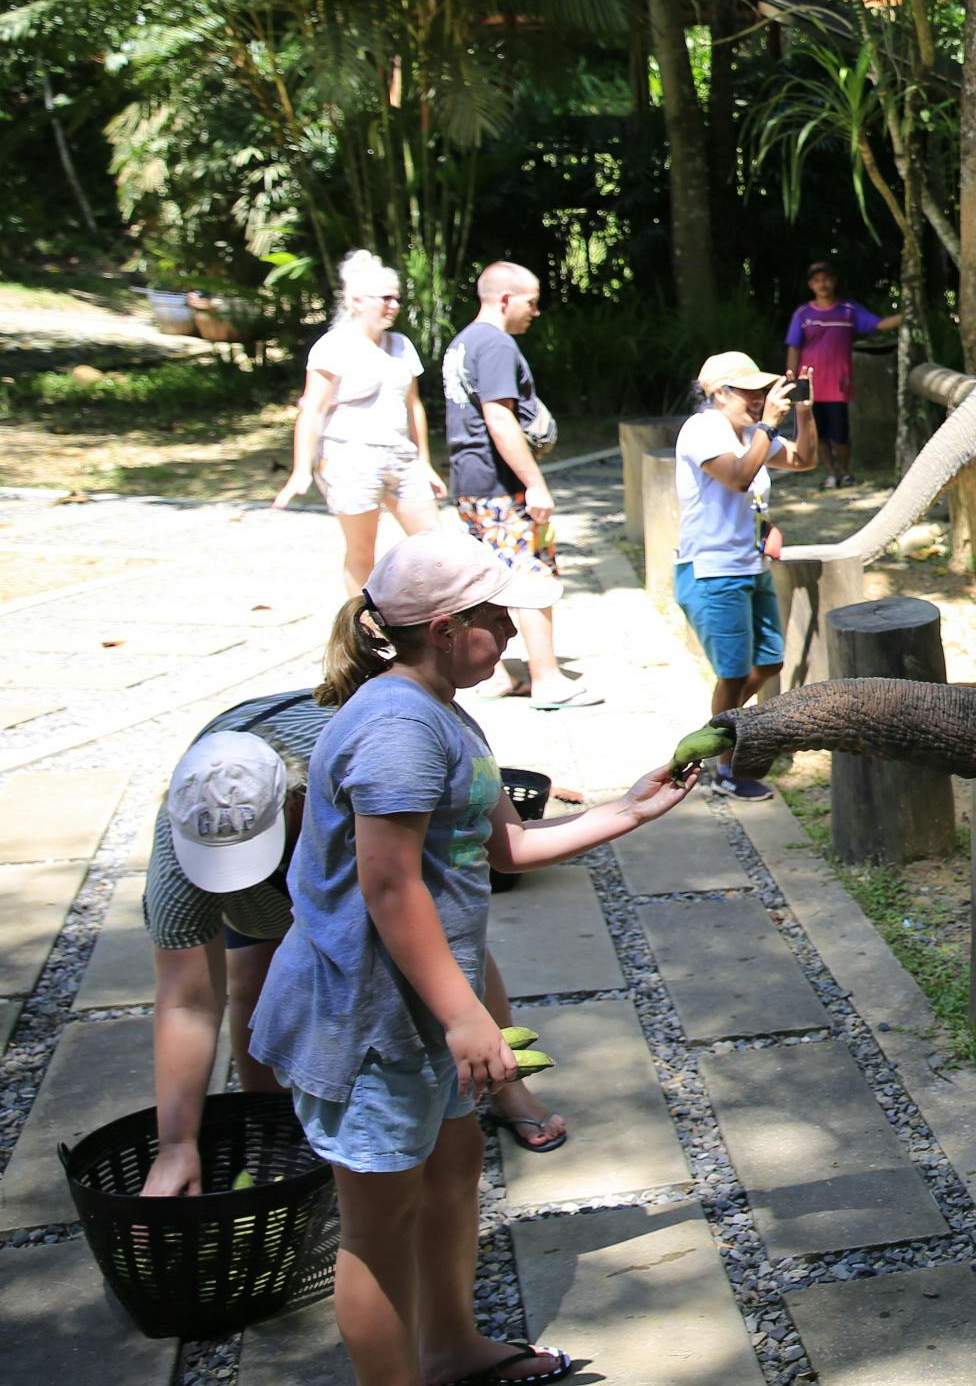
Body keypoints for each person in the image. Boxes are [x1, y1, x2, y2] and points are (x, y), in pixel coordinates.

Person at [247, 529, 698, 1386]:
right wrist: (468, 1016)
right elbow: (390, 891)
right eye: (497, 614)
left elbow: (505, 851)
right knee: (379, 1228)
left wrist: (629, 810)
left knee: (454, 1174)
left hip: (425, 1011)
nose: (515, 629)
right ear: (448, 627)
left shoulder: (443, 709)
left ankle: (450, 1349)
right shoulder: (395, 732)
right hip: (369, 1019)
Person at [137, 689, 568, 1196]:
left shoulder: (376, 763)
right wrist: (176, 1146)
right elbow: (189, 1002)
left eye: (259, 852)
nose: (244, 877)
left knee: (437, 946)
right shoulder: (186, 844)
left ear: (299, 801)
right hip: (272, 862)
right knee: (254, 972)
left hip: (358, 832)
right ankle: (283, 1124)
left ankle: (507, 1088)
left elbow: (436, 926)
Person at [441, 262, 598, 710]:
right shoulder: (495, 344)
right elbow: (499, 416)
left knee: (489, 580)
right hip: (501, 484)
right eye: (531, 301)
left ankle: (491, 678)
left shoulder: (462, 342)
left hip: (471, 481)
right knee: (532, 574)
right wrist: (535, 483)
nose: (536, 311)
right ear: (504, 298)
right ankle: (546, 678)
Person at [672, 351, 818, 796]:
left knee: (769, 660)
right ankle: (725, 769)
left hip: (750, 566)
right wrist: (769, 425)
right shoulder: (703, 429)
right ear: (720, 393)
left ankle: (722, 728)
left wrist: (805, 412)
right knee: (733, 675)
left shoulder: (752, 432)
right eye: (750, 391)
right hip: (712, 572)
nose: (759, 398)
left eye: (762, 390)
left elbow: (804, 460)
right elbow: (736, 477)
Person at [274, 250, 448, 598]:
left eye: (397, 297)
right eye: (385, 298)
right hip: (351, 459)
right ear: (356, 300)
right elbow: (312, 410)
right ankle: (361, 632)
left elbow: (413, 404)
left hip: (400, 457)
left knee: (437, 547)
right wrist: (301, 471)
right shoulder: (333, 346)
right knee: (362, 551)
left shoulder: (401, 346)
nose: (393, 305)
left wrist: (425, 462)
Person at [781, 261, 901, 489]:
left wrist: (910, 314)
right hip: (811, 386)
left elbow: (880, 324)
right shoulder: (803, 314)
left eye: (826, 278)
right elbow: (793, 347)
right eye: (816, 280)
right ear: (810, 285)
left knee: (841, 434)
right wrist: (791, 382)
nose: (822, 284)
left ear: (834, 281)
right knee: (821, 433)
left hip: (838, 384)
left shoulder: (848, 310)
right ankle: (830, 473)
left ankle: (845, 472)